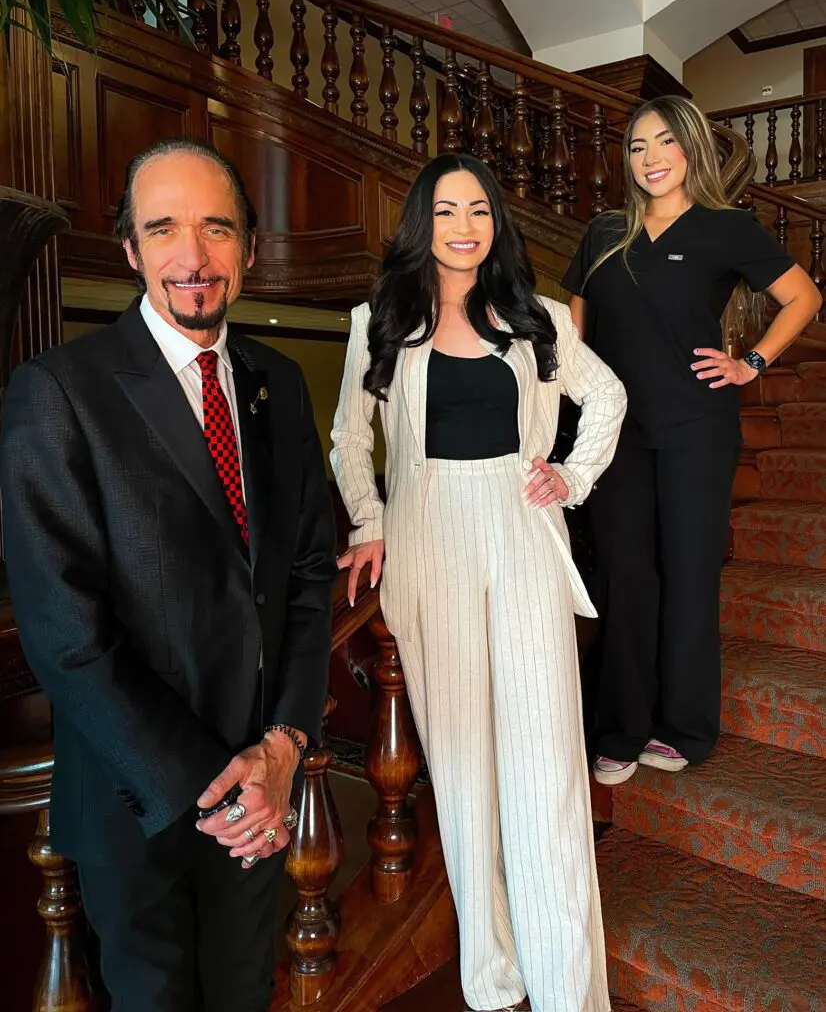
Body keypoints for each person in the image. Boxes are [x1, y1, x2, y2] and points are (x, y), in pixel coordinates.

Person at [0, 138, 337, 1012]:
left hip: (261, 787)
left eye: (216, 228)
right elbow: (65, 635)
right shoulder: (57, 391)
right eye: (164, 230)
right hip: (135, 799)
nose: (193, 256)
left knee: (243, 994)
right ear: (130, 250)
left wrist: (285, 748)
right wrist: (214, 787)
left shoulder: (278, 382)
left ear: (250, 249)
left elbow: (305, 573)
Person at [331, 152, 626, 1012]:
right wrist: (370, 521)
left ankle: (570, 989)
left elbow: (604, 398)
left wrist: (570, 476)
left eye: (481, 212)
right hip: (429, 551)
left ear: (497, 226)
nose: (466, 226)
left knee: (547, 770)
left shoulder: (533, 319)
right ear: (422, 220)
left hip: (521, 534)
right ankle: (493, 977)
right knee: (462, 770)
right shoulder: (377, 320)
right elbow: (353, 440)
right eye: (449, 210)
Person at [562, 95, 823, 787]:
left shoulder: (725, 227)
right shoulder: (604, 233)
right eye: (638, 146)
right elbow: (573, 338)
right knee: (624, 574)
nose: (651, 158)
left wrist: (752, 363)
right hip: (614, 432)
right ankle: (620, 727)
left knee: (687, 574)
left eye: (665, 143)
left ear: (690, 151)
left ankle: (684, 727)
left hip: (696, 428)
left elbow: (804, 297)